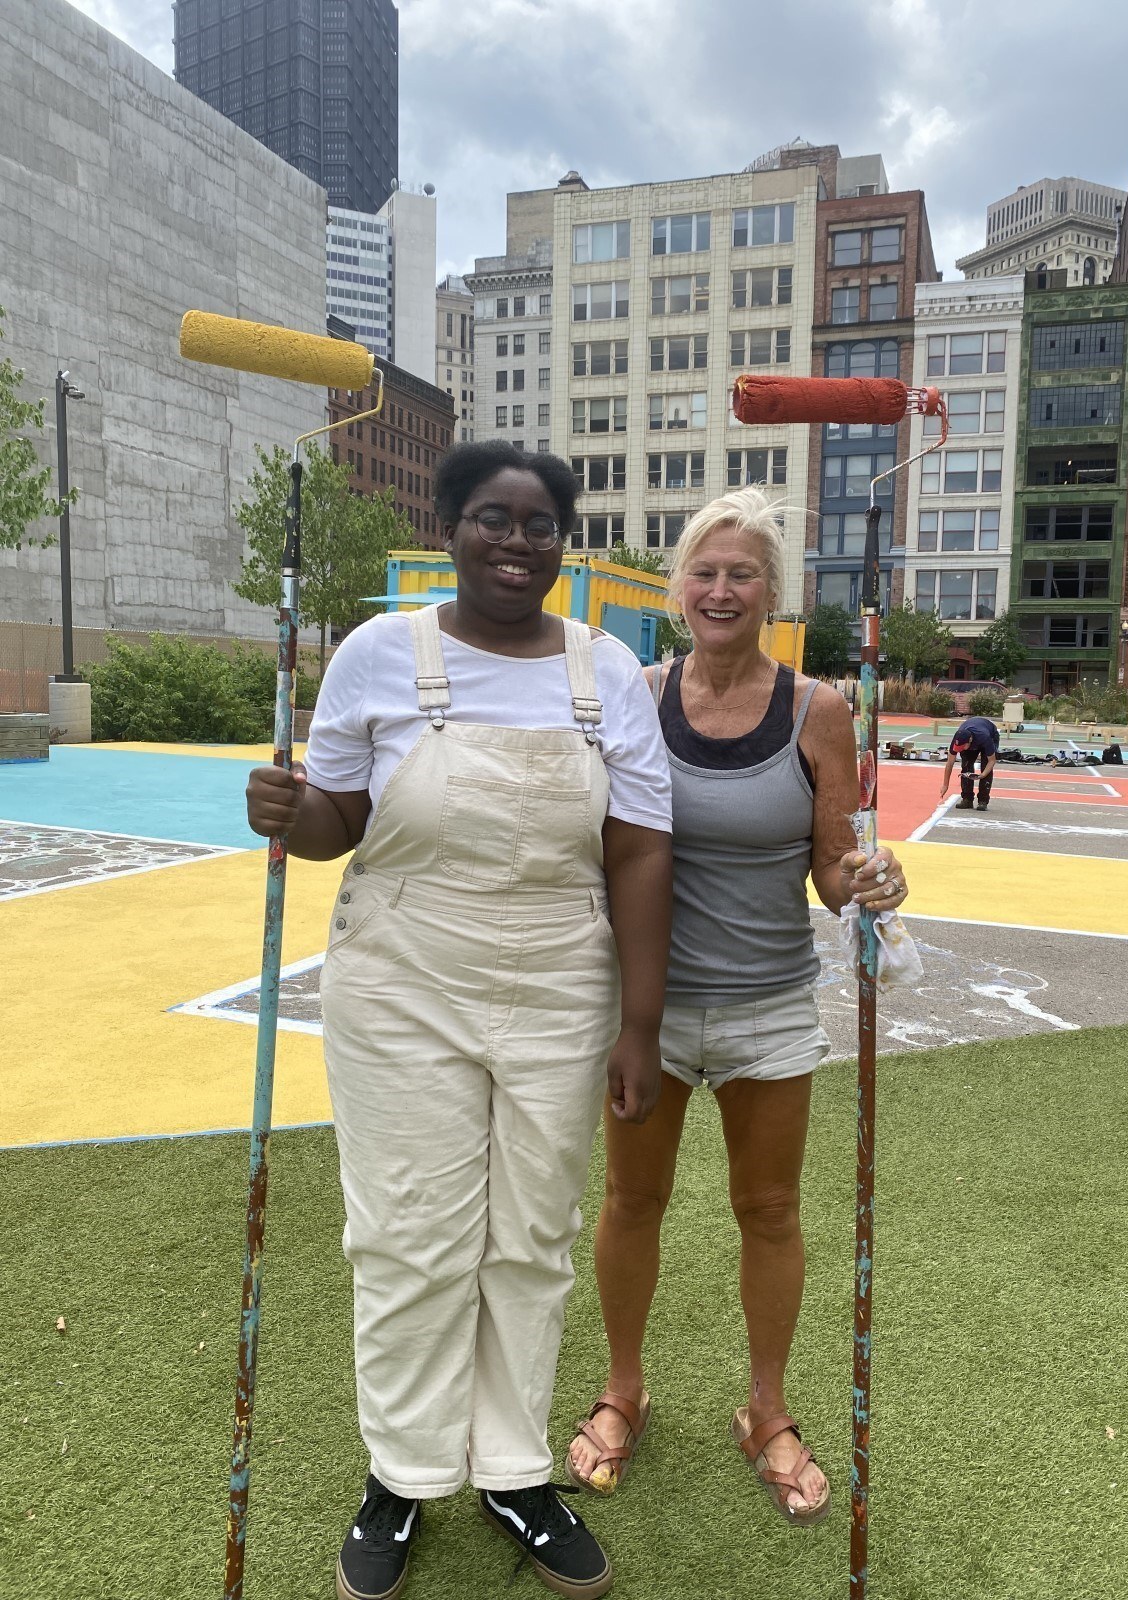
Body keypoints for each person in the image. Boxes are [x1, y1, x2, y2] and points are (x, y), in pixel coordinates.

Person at [245, 440, 673, 1600]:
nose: (517, 541)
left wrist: (641, 1022)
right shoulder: (381, 653)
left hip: (561, 978)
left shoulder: (608, 672)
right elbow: (336, 819)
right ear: (450, 526)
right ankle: (403, 1471)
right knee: (410, 1231)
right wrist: (287, 807)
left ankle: (515, 1469)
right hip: (402, 975)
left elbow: (637, 847)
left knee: (532, 1232)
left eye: (541, 525)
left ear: (563, 543)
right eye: (493, 517)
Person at [565, 488, 909, 1526]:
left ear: (772, 593)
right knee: (634, 1203)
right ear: (678, 589)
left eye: (744, 573)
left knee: (768, 1210)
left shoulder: (821, 710)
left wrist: (873, 877)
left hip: (768, 1004)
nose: (722, 589)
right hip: (649, 1011)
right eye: (706, 572)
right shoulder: (635, 691)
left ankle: (765, 1409)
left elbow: (830, 868)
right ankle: (624, 1389)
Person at [939, 715, 1000, 810]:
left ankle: (983, 801)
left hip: (990, 734)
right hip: (972, 737)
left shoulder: (984, 737)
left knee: (985, 765)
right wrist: (945, 785)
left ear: (970, 740)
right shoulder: (958, 738)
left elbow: (992, 761)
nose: (960, 749)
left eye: (962, 747)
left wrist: (982, 775)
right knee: (966, 766)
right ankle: (967, 799)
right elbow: (950, 763)